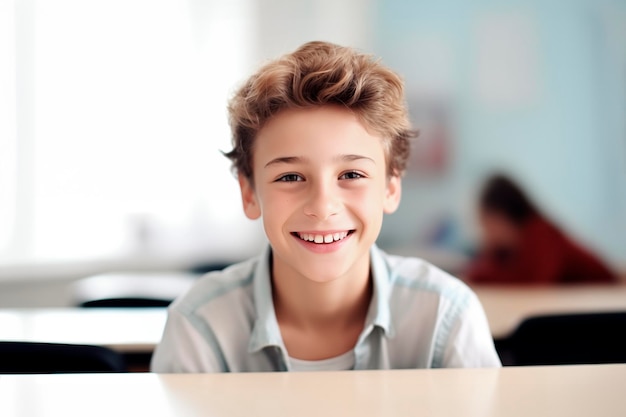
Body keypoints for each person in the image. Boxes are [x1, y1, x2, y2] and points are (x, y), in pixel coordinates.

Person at [151, 41, 501, 372]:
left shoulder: (446, 317)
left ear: (391, 188)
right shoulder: (199, 327)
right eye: (290, 177)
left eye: (351, 173)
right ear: (249, 193)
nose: (322, 207)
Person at [465, 174, 618, 284]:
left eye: (486, 221)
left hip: (606, 298)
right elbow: (475, 276)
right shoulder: (507, 250)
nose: (484, 231)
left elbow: (536, 284)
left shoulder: (540, 233)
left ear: (502, 217)